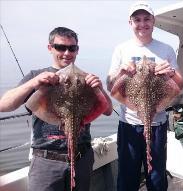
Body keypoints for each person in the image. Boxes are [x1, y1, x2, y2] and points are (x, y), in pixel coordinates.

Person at [0, 27, 113, 191]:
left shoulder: (86, 78)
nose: (67, 53)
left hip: (82, 159)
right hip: (46, 162)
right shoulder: (36, 76)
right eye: (60, 47)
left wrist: (99, 89)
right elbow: (4, 105)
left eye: (72, 48)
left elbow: (108, 110)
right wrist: (34, 84)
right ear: (50, 48)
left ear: (77, 50)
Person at [106, 1, 183, 191]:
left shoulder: (165, 49)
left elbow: (179, 85)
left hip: (157, 124)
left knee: (157, 176)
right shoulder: (121, 49)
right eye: (137, 19)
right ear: (130, 23)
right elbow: (110, 86)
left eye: (146, 19)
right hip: (129, 124)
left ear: (153, 21)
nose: (142, 23)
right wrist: (120, 72)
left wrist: (171, 73)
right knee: (127, 174)